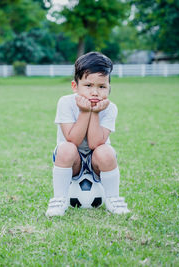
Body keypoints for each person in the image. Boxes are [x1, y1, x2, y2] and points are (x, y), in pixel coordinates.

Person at [46, 52, 130, 217]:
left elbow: (95, 143)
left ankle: (113, 198)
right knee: (66, 148)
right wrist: (85, 112)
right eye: (88, 85)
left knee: (106, 151)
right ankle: (59, 199)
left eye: (102, 87)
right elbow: (73, 140)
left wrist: (96, 113)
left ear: (109, 88)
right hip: (72, 161)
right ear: (75, 86)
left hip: (97, 161)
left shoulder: (110, 108)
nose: (95, 92)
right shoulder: (65, 102)